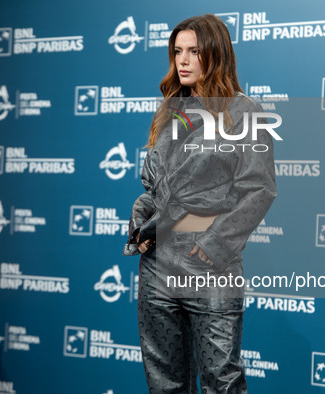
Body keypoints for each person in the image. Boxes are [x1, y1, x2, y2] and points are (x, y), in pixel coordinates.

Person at [123, 14, 277, 394]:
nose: (184, 60)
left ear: (216, 53)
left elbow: (259, 190)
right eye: (177, 52)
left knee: (221, 382)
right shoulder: (170, 110)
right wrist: (144, 210)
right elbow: (160, 188)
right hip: (158, 267)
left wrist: (211, 248)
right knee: (165, 383)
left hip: (210, 269)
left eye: (194, 51)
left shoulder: (244, 112)